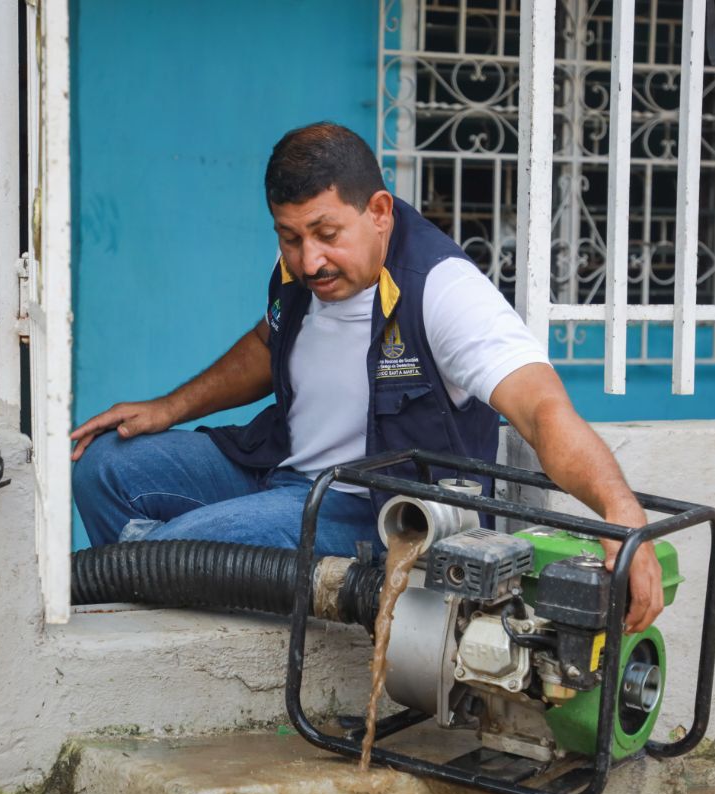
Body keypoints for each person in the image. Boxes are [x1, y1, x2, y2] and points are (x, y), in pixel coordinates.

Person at [71, 122, 665, 633]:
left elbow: (542, 409)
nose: (309, 260)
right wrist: (168, 408)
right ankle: (160, 582)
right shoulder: (299, 269)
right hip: (275, 467)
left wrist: (622, 513)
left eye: (327, 235)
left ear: (378, 211)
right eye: (290, 237)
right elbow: (265, 342)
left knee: (176, 552)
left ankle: (155, 574)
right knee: (104, 469)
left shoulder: (444, 290)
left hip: (374, 511)